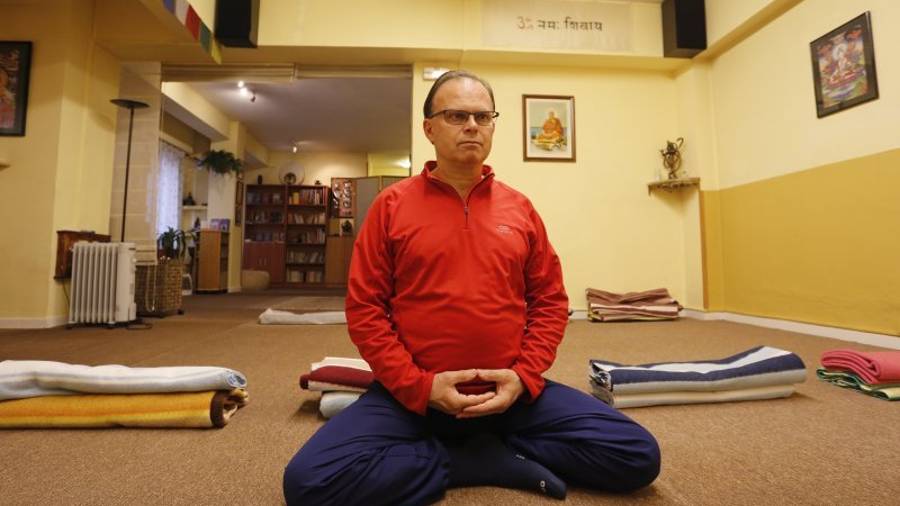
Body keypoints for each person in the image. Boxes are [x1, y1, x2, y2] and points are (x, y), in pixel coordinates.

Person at [283, 70, 660, 505]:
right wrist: (418, 387)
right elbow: (366, 308)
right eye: (457, 115)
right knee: (308, 484)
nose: (472, 126)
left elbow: (550, 301)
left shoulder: (519, 208)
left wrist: (523, 377)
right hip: (413, 398)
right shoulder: (391, 206)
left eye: (483, 116)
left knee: (637, 455)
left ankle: (473, 453)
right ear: (429, 128)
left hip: (511, 396)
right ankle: (470, 461)